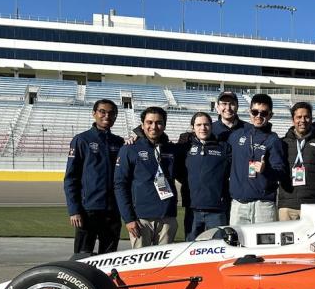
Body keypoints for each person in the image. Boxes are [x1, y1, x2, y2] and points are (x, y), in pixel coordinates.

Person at [63, 99, 125, 254]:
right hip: (88, 210)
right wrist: (74, 210)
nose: (107, 116)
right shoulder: (81, 140)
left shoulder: (119, 142)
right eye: (102, 111)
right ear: (94, 114)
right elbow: (71, 178)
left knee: (109, 257)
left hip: (113, 210)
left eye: (111, 113)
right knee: (82, 257)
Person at [114, 106, 180, 248]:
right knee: (141, 266)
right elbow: (120, 185)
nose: (154, 127)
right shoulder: (129, 149)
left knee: (164, 266)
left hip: (167, 218)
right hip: (140, 219)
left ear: (164, 125)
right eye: (149, 122)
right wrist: (129, 219)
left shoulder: (171, 149)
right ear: (142, 125)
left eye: (159, 122)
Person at [228, 93, 286, 224]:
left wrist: (266, 170)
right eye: (255, 112)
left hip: (263, 205)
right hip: (239, 204)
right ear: (250, 112)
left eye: (263, 113)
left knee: (265, 245)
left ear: (270, 115)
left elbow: (281, 172)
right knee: (237, 244)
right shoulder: (237, 136)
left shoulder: (273, 140)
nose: (258, 116)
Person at [177, 112, 231, 240]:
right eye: (199, 125)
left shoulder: (223, 147)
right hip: (192, 210)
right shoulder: (184, 148)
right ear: (192, 127)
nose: (203, 128)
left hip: (217, 210)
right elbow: (177, 171)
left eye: (206, 124)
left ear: (211, 126)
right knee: (191, 250)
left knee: (219, 249)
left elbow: (232, 171)